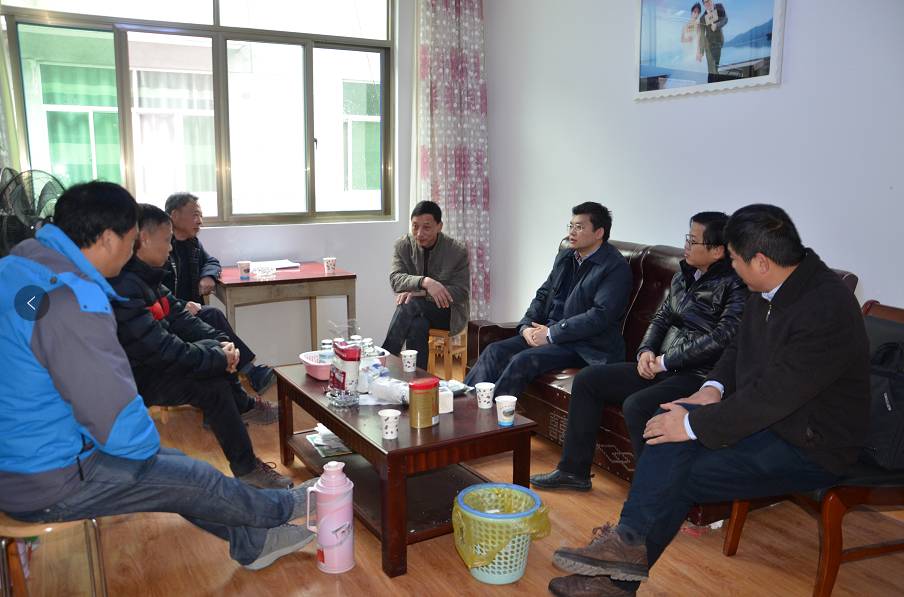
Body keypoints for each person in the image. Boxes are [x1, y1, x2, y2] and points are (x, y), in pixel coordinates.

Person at [547, 204, 870, 596]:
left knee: (675, 467)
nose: (731, 267)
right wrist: (710, 389)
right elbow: (736, 350)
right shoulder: (770, 286)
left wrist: (691, 424)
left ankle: (618, 573)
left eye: (734, 259)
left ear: (761, 261)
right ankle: (624, 553)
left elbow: (773, 397)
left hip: (812, 444)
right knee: (667, 435)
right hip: (768, 421)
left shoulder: (827, 309)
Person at [0, 181, 318, 571]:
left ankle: (255, 543)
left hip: (28, 453)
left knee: (181, 473)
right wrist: (157, 459)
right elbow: (114, 416)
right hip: (48, 476)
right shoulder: (72, 300)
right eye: (131, 240)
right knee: (188, 477)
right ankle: (284, 507)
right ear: (107, 239)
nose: (132, 250)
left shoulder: (20, 269)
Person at [531, 212, 747, 491]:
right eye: (687, 238)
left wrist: (665, 361)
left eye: (693, 241)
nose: (686, 245)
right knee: (588, 380)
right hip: (662, 365)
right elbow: (661, 318)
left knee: (638, 405)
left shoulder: (736, 285)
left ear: (717, 251)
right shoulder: (684, 275)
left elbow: (722, 338)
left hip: (698, 375)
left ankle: (655, 489)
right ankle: (573, 472)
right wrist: (646, 351)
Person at [108, 203, 288, 489]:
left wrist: (222, 344)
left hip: (155, 363)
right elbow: (163, 350)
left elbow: (181, 318)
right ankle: (247, 467)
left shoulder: (147, 279)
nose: (170, 248)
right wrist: (217, 357)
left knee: (212, 347)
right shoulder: (124, 287)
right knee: (212, 384)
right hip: (135, 377)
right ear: (143, 239)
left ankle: (244, 421)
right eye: (166, 240)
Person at [465, 202, 632, 398]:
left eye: (579, 227)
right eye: (571, 226)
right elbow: (543, 294)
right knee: (494, 350)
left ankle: (492, 414)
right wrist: (526, 326)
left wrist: (552, 333)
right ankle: (463, 404)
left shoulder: (614, 267)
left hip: (586, 346)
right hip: (553, 335)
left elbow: (599, 316)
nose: (572, 232)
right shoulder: (566, 257)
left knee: (522, 360)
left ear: (599, 233)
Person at [162, 192, 275, 394]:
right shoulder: (161, 247)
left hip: (192, 316)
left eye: (200, 215)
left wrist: (208, 276)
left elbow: (212, 261)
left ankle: (241, 386)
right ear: (175, 215)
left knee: (215, 330)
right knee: (213, 316)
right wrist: (181, 305)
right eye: (195, 215)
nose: (200, 221)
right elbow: (154, 293)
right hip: (171, 318)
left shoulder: (193, 244)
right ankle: (250, 374)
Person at [382, 200, 470, 370]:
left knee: (410, 303)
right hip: (418, 313)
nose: (419, 233)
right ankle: (417, 377)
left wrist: (421, 293)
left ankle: (385, 359)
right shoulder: (403, 245)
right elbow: (395, 279)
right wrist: (425, 282)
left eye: (426, 227)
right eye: (415, 226)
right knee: (417, 325)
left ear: (439, 226)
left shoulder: (456, 251)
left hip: (447, 314)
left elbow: (461, 292)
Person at [697, 0, 728, 81]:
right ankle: (712, 84)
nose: (708, 3)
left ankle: (713, 83)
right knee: (711, 68)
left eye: (709, 1)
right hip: (709, 45)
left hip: (718, 42)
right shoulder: (702, 18)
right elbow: (702, 35)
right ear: (703, 4)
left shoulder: (719, 7)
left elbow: (725, 19)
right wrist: (701, 51)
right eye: (705, 2)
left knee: (715, 67)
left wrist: (716, 25)